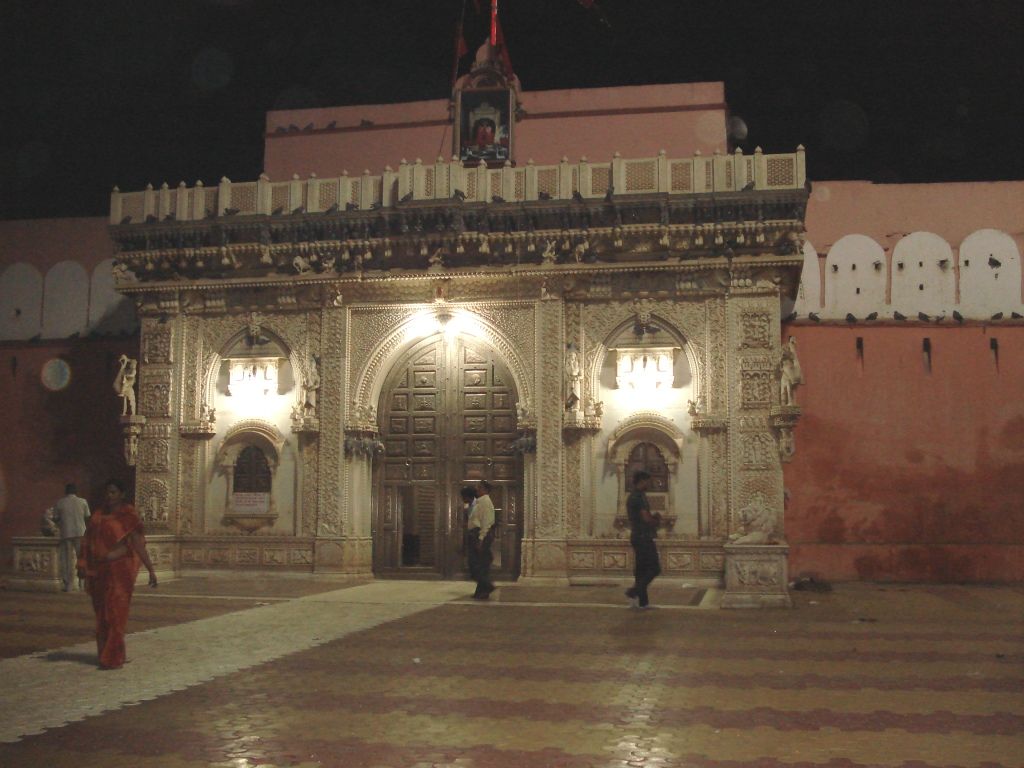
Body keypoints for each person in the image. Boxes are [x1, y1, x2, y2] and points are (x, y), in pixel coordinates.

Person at [77, 479, 157, 670]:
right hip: (100, 570)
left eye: (113, 492)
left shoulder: (128, 517)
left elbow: (137, 544)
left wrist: (151, 570)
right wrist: (82, 563)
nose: (109, 496)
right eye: (108, 492)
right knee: (102, 614)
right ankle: (108, 652)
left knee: (116, 613)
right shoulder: (98, 516)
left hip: (120, 572)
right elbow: (87, 542)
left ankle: (112, 657)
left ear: (122, 494)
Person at [625, 471, 662, 609]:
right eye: (648, 481)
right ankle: (633, 591)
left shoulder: (633, 496)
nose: (649, 484)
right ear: (642, 481)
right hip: (643, 537)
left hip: (637, 536)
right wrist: (656, 520)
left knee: (641, 570)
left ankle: (643, 603)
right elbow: (645, 518)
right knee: (654, 568)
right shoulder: (638, 497)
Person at [52, 483, 90, 592]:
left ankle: (68, 584)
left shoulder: (60, 502)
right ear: (75, 491)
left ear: (65, 491)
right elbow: (87, 516)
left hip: (66, 533)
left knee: (67, 560)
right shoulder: (83, 502)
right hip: (80, 532)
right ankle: (82, 583)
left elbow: (55, 518)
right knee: (81, 558)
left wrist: (62, 523)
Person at [466, 480, 496, 600]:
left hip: (480, 535)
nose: (477, 490)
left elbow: (487, 522)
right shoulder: (479, 502)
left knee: (475, 564)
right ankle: (481, 592)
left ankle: (488, 586)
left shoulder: (486, 502)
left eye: (479, 488)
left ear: (485, 489)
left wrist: (481, 539)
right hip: (476, 534)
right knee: (480, 564)